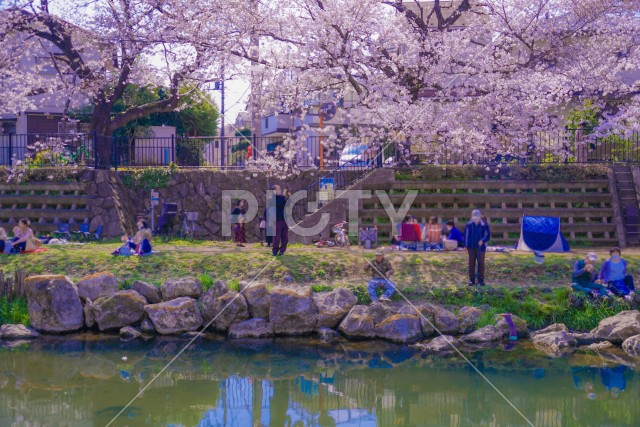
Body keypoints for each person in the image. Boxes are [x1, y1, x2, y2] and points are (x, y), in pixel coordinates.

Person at [464, 210, 491, 286]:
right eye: (474, 217)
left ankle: (481, 280)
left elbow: (487, 235)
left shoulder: (484, 225)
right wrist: (466, 245)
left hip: (481, 248)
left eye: (477, 217)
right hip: (471, 247)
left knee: (481, 263)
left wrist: (483, 240)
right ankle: (471, 280)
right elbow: (466, 235)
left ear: (480, 217)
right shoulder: (469, 225)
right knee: (471, 263)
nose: (475, 219)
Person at [272, 185, 289, 256]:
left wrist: (288, 198)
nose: (280, 190)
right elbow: (278, 203)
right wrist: (283, 196)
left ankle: (282, 250)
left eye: (280, 189)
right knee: (276, 237)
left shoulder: (281, 198)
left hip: (284, 220)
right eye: (278, 189)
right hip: (276, 220)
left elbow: (287, 205)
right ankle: (275, 251)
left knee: (285, 237)